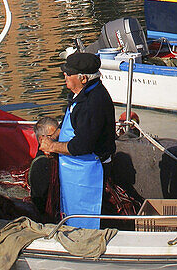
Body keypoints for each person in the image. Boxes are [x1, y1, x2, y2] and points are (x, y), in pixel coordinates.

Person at [38, 52, 115, 229]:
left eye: (69, 73)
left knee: (87, 216)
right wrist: (55, 135)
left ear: (83, 78)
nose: (64, 75)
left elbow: (82, 146)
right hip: (74, 170)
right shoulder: (80, 94)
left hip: (91, 170)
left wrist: (53, 146)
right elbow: (69, 121)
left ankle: (87, 236)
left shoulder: (92, 103)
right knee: (71, 210)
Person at [29, 116, 61, 222]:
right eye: (55, 137)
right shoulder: (41, 164)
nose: (60, 140)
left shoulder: (55, 159)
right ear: (41, 139)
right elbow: (40, 199)